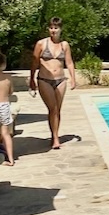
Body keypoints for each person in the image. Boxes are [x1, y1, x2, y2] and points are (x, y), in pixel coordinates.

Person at [29, 17, 77, 150]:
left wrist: (73, 78)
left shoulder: (64, 45)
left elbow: (69, 62)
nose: (53, 31)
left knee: (58, 110)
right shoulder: (41, 44)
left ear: (61, 29)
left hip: (61, 80)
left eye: (56, 28)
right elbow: (34, 62)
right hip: (44, 80)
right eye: (51, 28)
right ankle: (55, 138)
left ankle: (55, 134)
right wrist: (32, 79)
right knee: (53, 108)